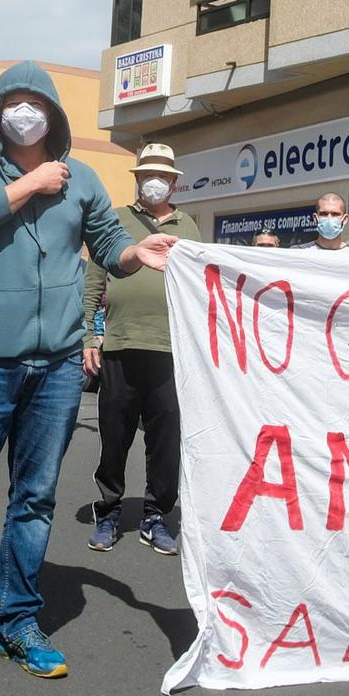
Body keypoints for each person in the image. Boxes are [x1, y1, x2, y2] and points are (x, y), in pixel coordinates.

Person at [0, 62, 181, 678]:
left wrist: (137, 252)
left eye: (36, 102)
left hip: (55, 366)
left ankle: (18, 620)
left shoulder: (81, 179)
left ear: (54, 112)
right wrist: (31, 185)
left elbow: (108, 242)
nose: (24, 111)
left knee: (35, 499)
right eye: (14, 101)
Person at [82, 143, 199, 558]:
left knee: (166, 440)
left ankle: (156, 515)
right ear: (136, 179)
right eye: (147, 174)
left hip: (171, 351)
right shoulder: (114, 221)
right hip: (119, 345)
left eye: (162, 175)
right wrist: (89, 336)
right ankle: (109, 510)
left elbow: (203, 289)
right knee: (114, 436)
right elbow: (94, 282)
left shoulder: (191, 227)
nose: (154, 181)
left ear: (173, 182)